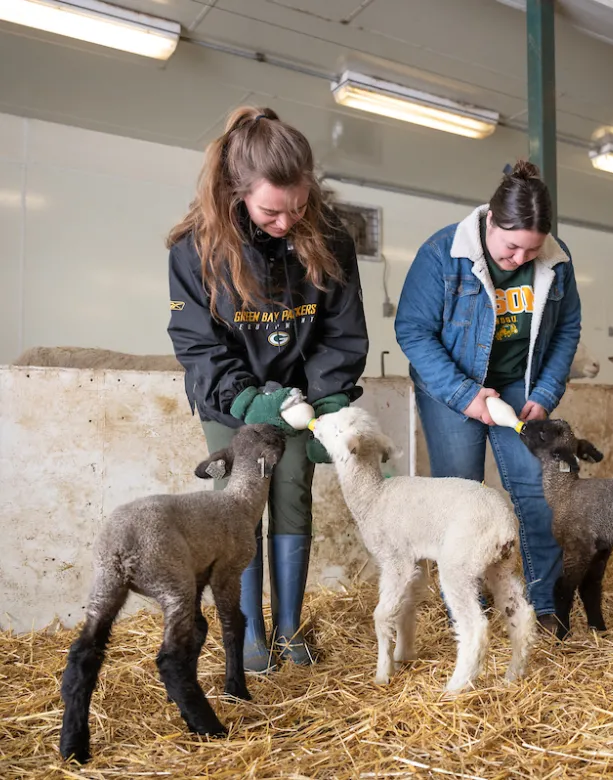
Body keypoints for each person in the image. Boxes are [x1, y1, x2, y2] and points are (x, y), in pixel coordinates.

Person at [166, 106, 369, 672]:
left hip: (304, 395)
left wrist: (326, 395)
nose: (287, 222)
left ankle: (289, 629)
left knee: (291, 497)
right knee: (238, 506)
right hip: (231, 399)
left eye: (298, 206)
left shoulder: (328, 237)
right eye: (271, 211)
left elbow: (343, 329)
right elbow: (196, 341)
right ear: (237, 192)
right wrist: (245, 399)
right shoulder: (195, 248)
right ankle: (249, 633)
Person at [394, 160, 581, 633]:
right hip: (450, 382)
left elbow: (567, 330)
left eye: (531, 250)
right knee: (461, 494)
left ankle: (546, 605)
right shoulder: (442, 252)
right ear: (491, 222)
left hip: (519, 381)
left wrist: (545, 390)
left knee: (538, 490)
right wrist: (463, 393)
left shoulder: (557, 262)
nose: (519, 258)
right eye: (512, 245)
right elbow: (413, 330)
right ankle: (467, 607)